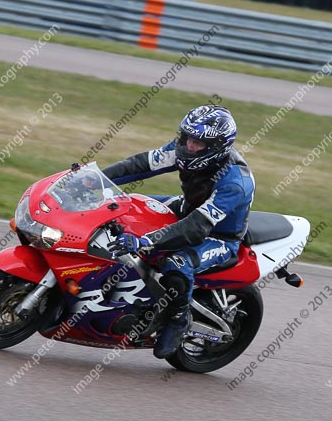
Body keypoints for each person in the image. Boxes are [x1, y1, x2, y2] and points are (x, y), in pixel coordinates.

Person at [103, 105, 255, 359]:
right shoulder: (185, 150)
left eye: (197, 142)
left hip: (217, 236)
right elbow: (140, 165)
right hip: (185, 208)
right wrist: (94, 178)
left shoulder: (234, 182)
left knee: (177, 264)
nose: (188, 146)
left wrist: (144, 240)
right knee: (121, 206)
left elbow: (196, 228)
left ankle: (178, 319)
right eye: (186, 137)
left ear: (217, 146)